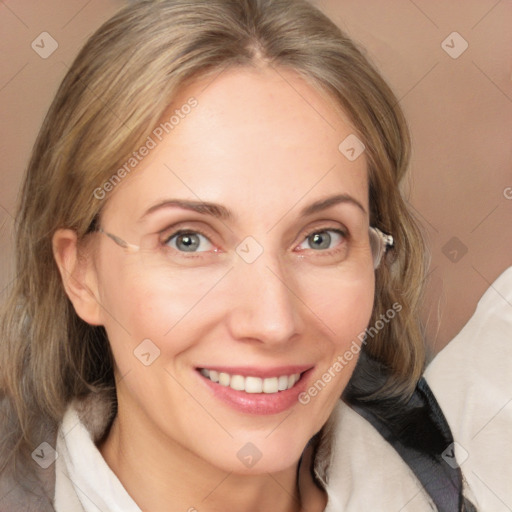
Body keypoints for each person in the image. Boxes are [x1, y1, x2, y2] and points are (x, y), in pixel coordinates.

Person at [1, 0, 510, 510]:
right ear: (81, 273)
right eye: (188, 239)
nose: (272, 322)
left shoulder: (481, 474)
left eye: (321, 238)